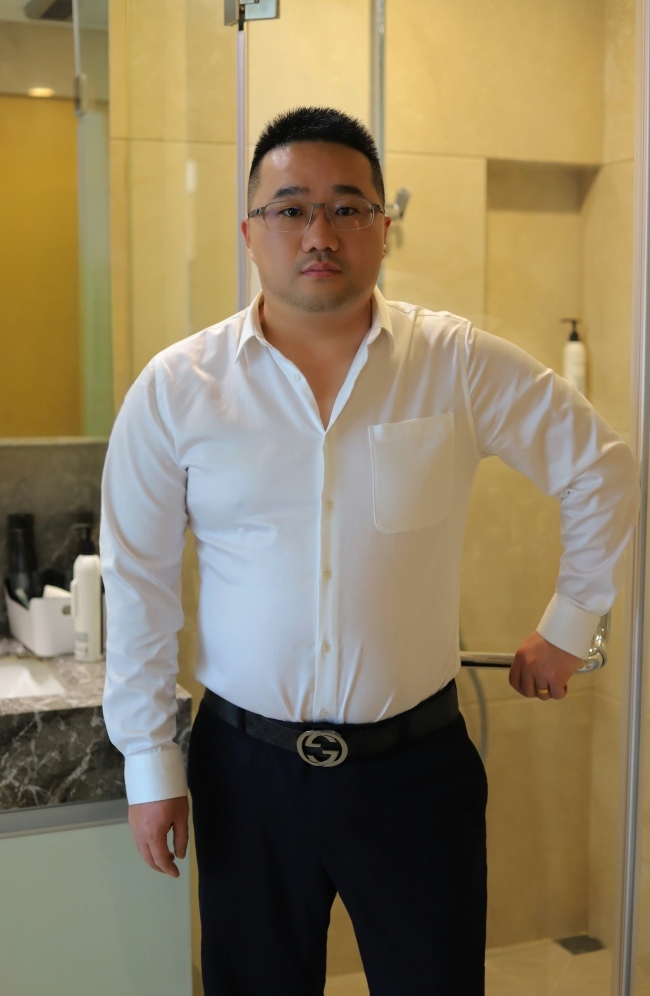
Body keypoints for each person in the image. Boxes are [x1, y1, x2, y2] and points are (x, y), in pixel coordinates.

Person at [101, 106, 640, 996]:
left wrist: (570, 622)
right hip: (245, 772)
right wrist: (151, 763)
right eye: (290, 208)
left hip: (415, 772)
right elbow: (137, 583)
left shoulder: (455, 363)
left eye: (348, 207)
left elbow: (604, 468)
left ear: (384, 228)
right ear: (250, 232)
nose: (320, 232)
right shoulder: (176, 390)